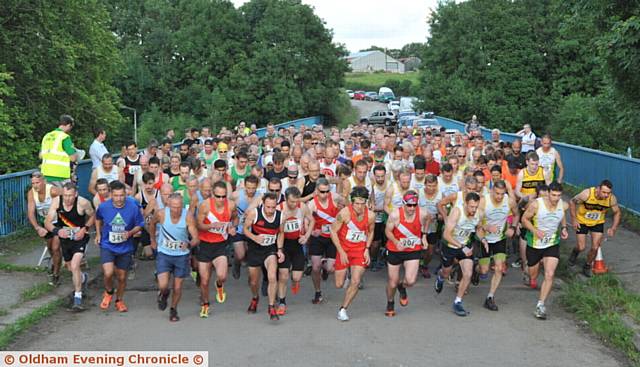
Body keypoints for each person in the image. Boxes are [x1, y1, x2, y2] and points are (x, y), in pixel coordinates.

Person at [521, 182, 569, 320]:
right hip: (535, 244)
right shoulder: (536, 204)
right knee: (533, 275)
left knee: (549, 274)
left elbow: (562, 216)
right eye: (553, 195)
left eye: (558, 195)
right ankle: (528, 271)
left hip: (552, 243)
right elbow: (524, 219)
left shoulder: (563, 205)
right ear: (548, 193)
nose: (555, 198)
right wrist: (535, 230)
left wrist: (564, 228)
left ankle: (540, 305)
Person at [95, 180, 145, 312]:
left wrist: (130, 233)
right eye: (116, 195)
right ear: (111, 194)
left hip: (125, 247)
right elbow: (98, 218)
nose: (119, 199)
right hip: (108, 245)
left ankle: (119, 300)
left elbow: (140, 224)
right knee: (108, 272)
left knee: (122, 277)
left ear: (126, 194)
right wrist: (98, 234)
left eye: (122, 195)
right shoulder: (104, 207)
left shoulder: (133, 207)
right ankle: (109, 291)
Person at [149, 193, 199, 322]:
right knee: (163, 285)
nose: (176, 210)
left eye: (179, 207)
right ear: (168, 205)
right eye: (173, 207)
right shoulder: (161, 214)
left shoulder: (188, 216)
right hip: (164, 253)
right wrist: (153, 240)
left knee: (177, 287)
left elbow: (196, 238)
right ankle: (164, 294)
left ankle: (173, 309)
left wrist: (189, 243)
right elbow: (152, 224)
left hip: (181, 256)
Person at [44, 183, 94, 311]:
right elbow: (47, 222)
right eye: (65, 195)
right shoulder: (56, 202)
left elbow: (93, 216)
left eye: (70, 196)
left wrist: (85, 229)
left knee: (75, 265)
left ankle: (77, 299)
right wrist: (57, 231)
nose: (67, 199)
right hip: (65, 239)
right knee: (69, 266)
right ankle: (83, 278)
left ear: (75, 194)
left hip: (80, 239)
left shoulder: (83, 203)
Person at [435, 192, 485, 317]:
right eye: (471, 207)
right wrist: (461, 247)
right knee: (446, 272)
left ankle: (458, 302)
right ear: (465, 204)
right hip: (450, 246)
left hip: (465, 246)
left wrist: (483, 239)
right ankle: (441, 277)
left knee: (468, 273)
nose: (474, 210)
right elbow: (446, 235)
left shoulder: (479, 213)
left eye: (476, 207)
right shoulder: (457, 212)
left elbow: (478, 228)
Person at [383, 191, 431, 317]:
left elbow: (427, 221)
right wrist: (395, 241)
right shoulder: (395, 215)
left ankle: (402, 286)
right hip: (395, 250)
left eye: (414, 205)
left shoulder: (423, 213)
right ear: (403, 204)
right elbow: (388, 231)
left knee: (410, 281)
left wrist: (424, 236)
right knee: (392, 282)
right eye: (409, 205)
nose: (411, 208)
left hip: (412, 249)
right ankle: (390, 302)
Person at [331, 186, 375, 321]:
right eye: (357, 203)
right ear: (352, 202)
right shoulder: (344, 213)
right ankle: (347, 276)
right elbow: (333, 231)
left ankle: (343, 309)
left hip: (359, 250)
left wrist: (367, 249)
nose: (360, 207)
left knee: (356, 281)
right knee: (339, 284)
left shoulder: (371, 216)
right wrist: (341, 251)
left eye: (363, 204)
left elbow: (371, 232)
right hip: (344, 249)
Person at [195, 181, 237, 318]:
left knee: (222, 275)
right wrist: (212, 225)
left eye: (223, 196)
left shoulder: (230, 205)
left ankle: (219, 285)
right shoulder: (205, 205)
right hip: (205, 245)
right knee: (204, 280)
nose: (221, 199)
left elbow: (236, 219)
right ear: (213, 194)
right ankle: (205, 305)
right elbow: (198, 225)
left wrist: (232, 227)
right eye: (218, 196)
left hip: (220, 245)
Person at [476, 180, 519, 311]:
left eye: (502, 194)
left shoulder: (509, 201)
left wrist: (512, 227)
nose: (499, 196)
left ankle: (490, 297)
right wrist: (486, 226)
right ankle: (475, 270)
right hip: (484, 238)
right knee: (483, 269)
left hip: (499, 238)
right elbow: (474, 220)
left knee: (499, 268)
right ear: (492, 191)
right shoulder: (484, 201)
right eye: (497, 193)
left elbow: (516, 214)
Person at [243, 192, 284, 321]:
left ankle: (271, 307)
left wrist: (280, 250)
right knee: (253, 281)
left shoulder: (281, 216)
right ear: (263, 204)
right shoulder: (254, 213)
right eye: (268, 207)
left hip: (270, 250)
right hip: (255, 250)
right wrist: (255, 237)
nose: (271, 210)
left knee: (272, 277)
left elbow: (281, 233)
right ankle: (255, 298)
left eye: (273, 207)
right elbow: (245, 229)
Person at [568, 180, 621, 277]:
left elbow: (617, 212)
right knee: (581, 247)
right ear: (598, 189)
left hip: (597, 223)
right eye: (604, 192)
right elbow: (572, 202)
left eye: (608, 193)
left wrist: (613, 228)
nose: (606, 195)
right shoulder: (586, 194)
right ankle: (574, 254)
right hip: (582, 221)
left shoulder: (611, 199)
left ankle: (587, 266)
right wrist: (574, 219)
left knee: (595, 247)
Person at [276, 186, 314, 315]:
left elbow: (312, 221)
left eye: (296, 201)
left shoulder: (302, 207)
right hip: (283, 244)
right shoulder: (279, 209)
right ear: (285, 199)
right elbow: (274, 229)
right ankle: (282, 302)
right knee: (283, 275)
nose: (294, 204)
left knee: (296, 277)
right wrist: (283, 220)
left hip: (297, 244)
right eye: (291, 201)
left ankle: (295, 282)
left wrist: (306, 235)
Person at [307, 178, 345, 304]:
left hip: (332, 237)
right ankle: (318, 292)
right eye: (322, 192)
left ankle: (325, 265)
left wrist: (342, 206)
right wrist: (312, 232)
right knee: (315, 267)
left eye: (327, 191)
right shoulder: (312, 204)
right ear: (317, 190)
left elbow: (347, 205)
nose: (324, 195)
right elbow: (306, 223)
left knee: (331, 269)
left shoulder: (334, 197)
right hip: (318, 238)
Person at [26, 171, 62, 285]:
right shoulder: (31, 193)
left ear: (44, 182)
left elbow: (68, 197)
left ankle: (56, 274)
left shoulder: (53, 190)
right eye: (33, 183)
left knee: (56, 248)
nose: (35, 185)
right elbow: (31, 212)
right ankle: (55, 263)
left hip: (58, 221)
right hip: (45, 224)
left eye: (37, 182)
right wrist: (37, 228)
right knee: (50, 248)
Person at [39, 114, 78, 185]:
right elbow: (73, 158)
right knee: (65, 195)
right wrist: (75, 151)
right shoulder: (65, 137)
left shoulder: (47, 136)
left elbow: (40, 155)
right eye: (71, 127)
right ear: (68, 125)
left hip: (45, 174)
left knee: (49, 196)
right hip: (60, 176)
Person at [417, 174, 442, 278]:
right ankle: (414, 265)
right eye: (429, 185)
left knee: (430, 252)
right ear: (424, 185)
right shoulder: (418, 193)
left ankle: (424, 265)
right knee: (417, 248)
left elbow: (443, 215)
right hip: (419, 226)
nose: (431, 188)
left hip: (433, 227)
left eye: (433, 186)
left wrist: (435, 216)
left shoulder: (441, 195)